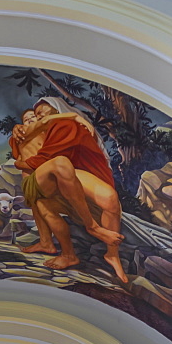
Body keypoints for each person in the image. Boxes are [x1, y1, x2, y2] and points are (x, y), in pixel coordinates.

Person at [10, 97, 127, 281]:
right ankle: (91, 227)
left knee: (110, 197)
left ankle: (112, 254)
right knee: (59, 166)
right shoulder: (24, 132)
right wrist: (20, 161)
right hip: (39, 174)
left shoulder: (57, 129)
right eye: (29, 118)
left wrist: (74, 119)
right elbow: (26, 152)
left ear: (56, 109)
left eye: (39, 114)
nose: (36, 118)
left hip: (57, 172)